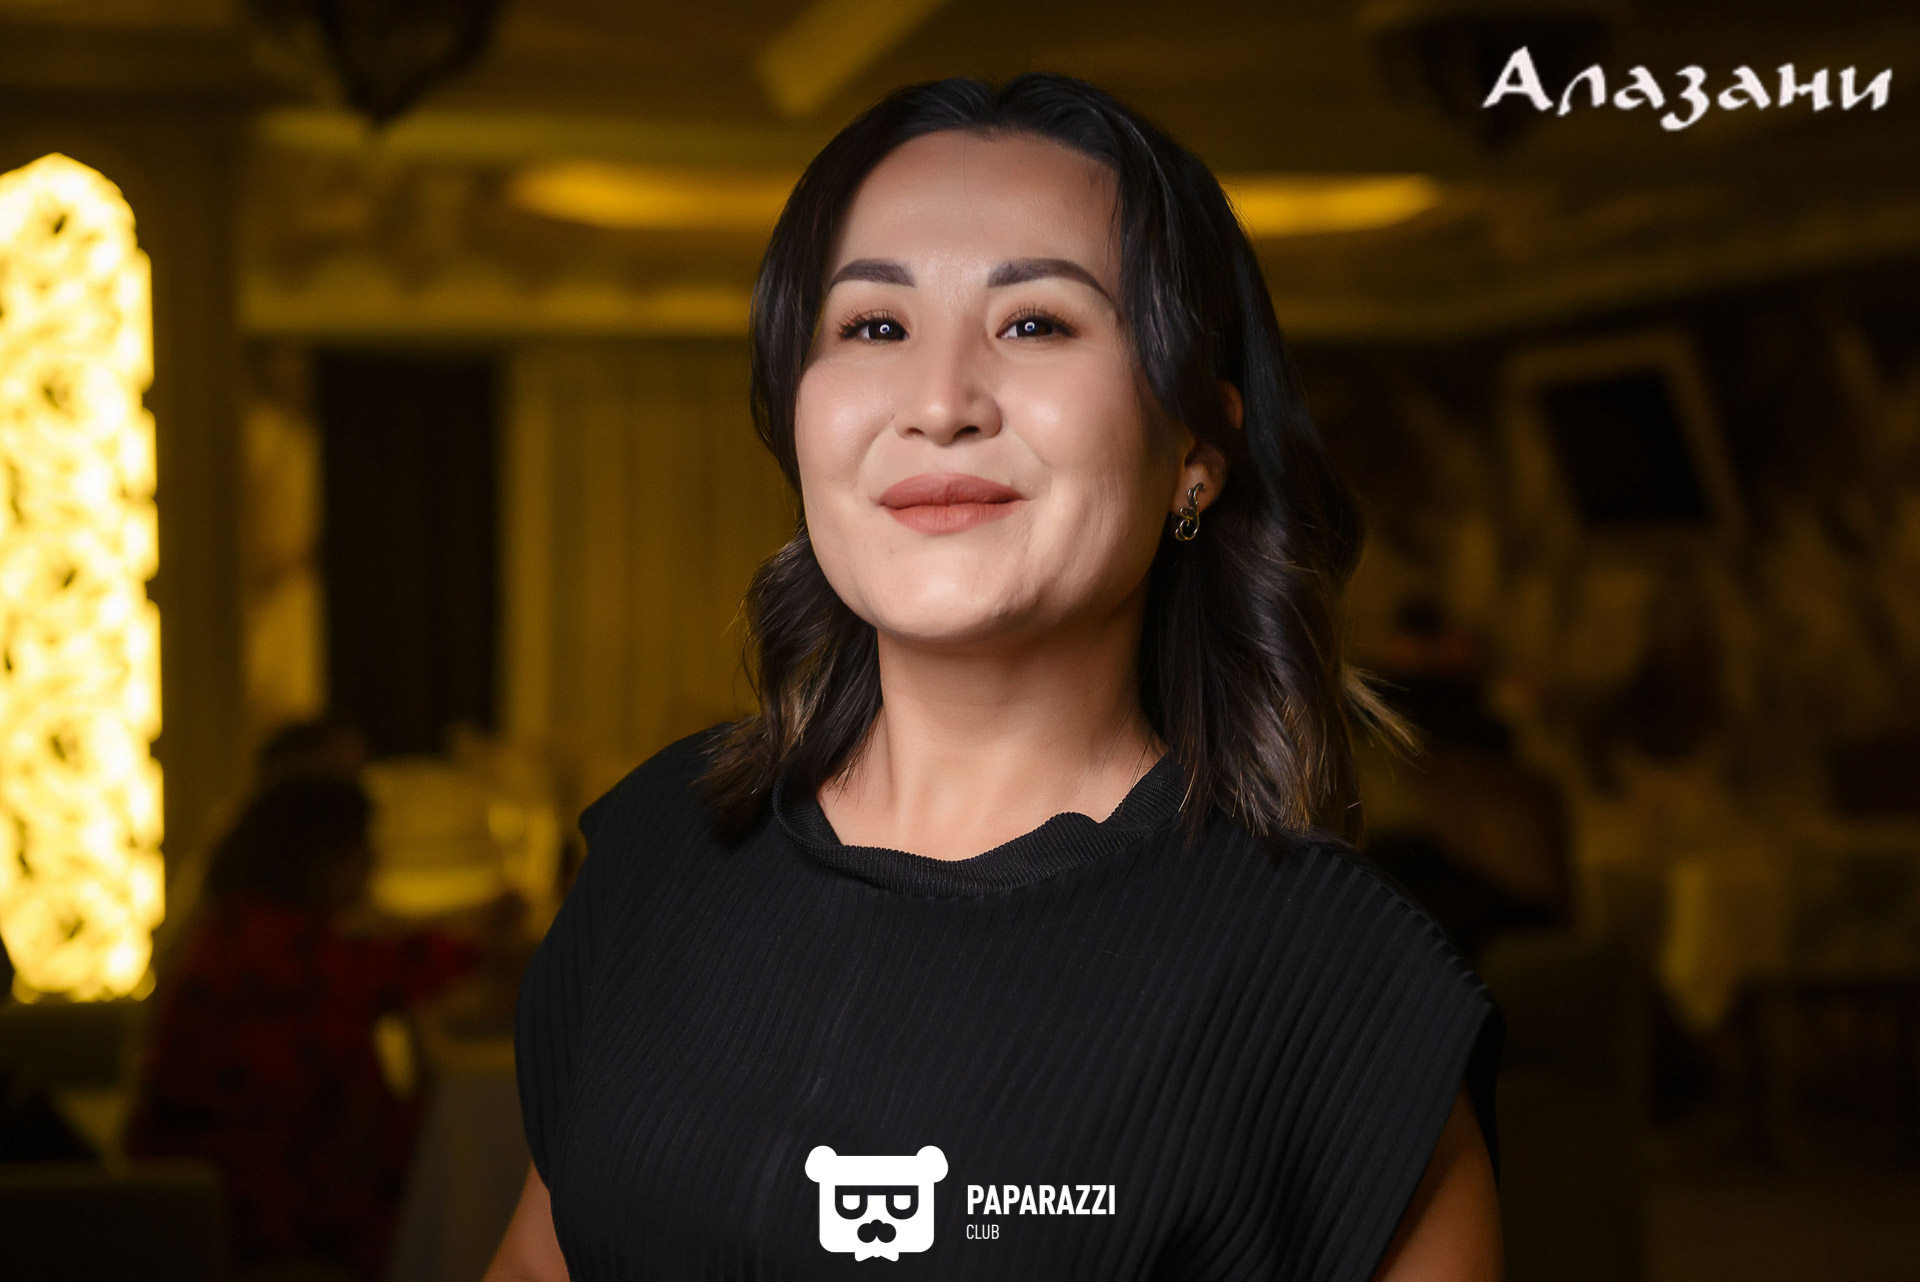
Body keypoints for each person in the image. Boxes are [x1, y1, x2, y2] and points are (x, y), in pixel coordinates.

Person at [489, 73, 1502, 1282]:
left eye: (1036, 324)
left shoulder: (1338, 980)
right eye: (875, 326)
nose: (939, 403)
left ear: (1196, 449)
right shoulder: (659, 848)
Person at [125, 775, 482, 1279]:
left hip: (209, 1189)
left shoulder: (242, 924)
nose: (373, 862)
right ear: (317, 858)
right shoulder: (279, 949)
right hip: (247, 1208)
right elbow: (396, 969)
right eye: (360, 848)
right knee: (464, 1167)